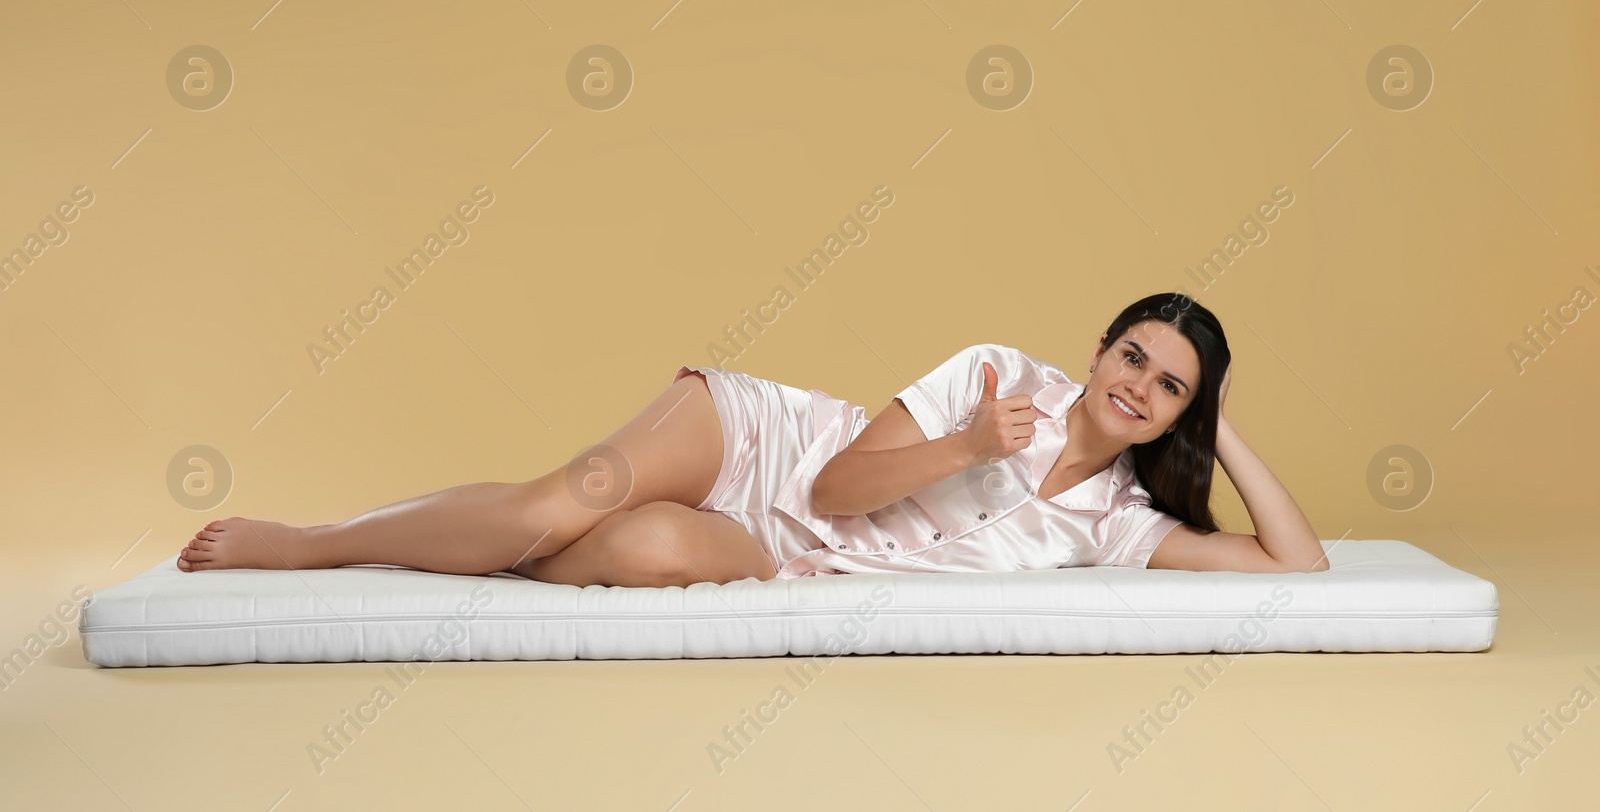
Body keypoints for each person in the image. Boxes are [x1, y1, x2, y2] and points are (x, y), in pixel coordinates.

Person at [176, 292, 1329, 584]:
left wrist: (1225, 426)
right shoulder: (997, 377)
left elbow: (1298, 563)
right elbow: (834, 482)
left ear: (1184, 410)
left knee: (634, 555)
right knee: (548, 509)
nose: (1141, 384)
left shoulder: (1119, 522)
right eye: (1133, 355)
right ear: (1098, 349)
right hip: (760, 446)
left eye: (1173, 386)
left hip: (795, 555)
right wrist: (972, 440)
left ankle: (463, 536)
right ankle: (316, 540)